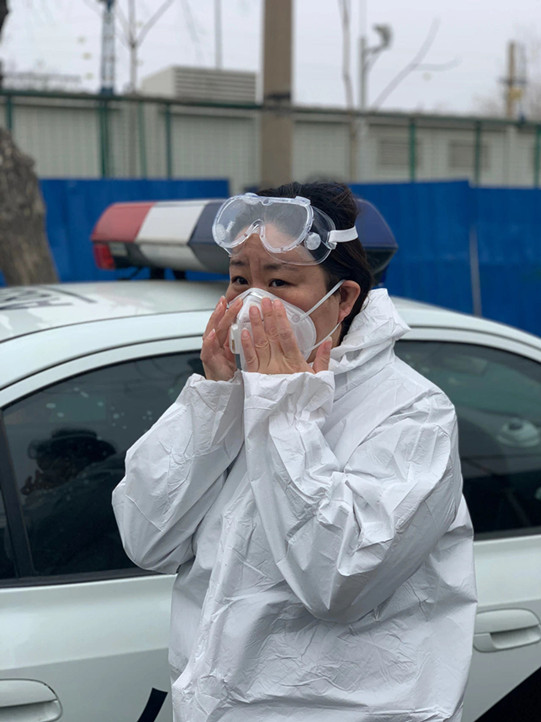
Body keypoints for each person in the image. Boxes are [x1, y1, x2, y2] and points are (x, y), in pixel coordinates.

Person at [112, 182, 477, 722]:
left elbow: (340, 580)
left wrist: (283, 410)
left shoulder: (413, 413)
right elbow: (146, 539)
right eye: (240, 279)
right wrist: (215, 398)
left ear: (344, 298)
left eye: (279, 281)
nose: (253, 302)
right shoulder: (238, 393)